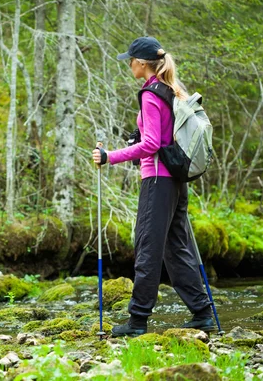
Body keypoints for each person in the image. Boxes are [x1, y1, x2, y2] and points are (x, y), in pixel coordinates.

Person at [92, 36, 215, 337]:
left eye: (131, 60)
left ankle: (137, 322)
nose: (129, 65)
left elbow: (151, 145)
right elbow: (161, 138)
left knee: (147, 248)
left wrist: (110, 157)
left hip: (158, 180)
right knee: (175, 248)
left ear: (142, 63)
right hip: (174, 181)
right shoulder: (171, 90)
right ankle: (202, 313)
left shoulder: (150, 94)